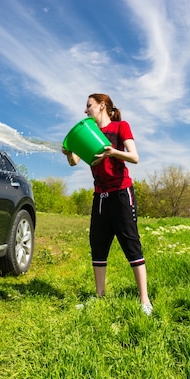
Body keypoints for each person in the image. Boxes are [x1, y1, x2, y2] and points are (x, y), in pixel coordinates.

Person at [62, 93, 153, 315]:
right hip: (100, 196)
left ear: (102, 106)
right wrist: (68, 151)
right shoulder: (89, 134)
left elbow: (134, 157)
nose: (85, 110)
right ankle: (99, 296)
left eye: (89, 106)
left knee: (131, 244)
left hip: (122, 192)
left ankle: (145, 301)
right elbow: (74, 162)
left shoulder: (121, 127)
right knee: (98, 244)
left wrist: (113, 152)